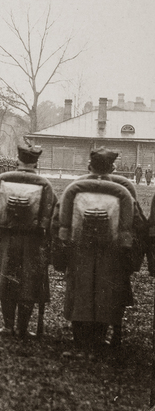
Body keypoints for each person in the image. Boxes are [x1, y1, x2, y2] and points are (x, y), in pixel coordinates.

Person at [54, 148, 137, 353]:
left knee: (79, 290)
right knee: (105, 292)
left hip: (79, 250)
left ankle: (79, 341)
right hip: (112, 253)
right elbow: (135, 224)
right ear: (113, 167)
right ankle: (99, 341)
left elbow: (59, 219)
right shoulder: (123, 188)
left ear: (89, 166)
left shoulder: (75, 188)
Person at [0, 144, 55, 339]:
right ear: (36, 162)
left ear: (18, 159)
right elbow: (50, 218)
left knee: (7, 279)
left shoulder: (1, 179)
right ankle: (23, 328)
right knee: (29, 284)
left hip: (7, 240)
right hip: (34, 242)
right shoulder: (45, 184)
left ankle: (8, 326)